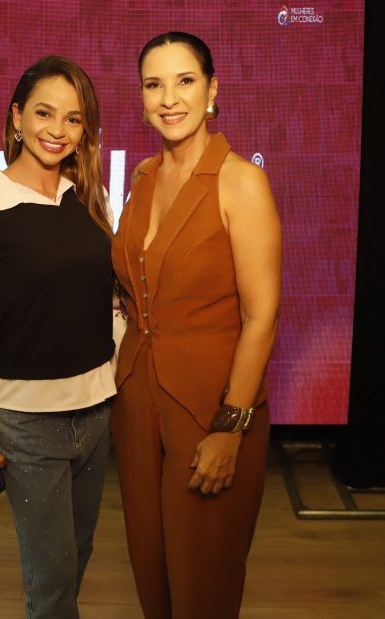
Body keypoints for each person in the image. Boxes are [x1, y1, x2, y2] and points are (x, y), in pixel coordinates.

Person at [111, 32, 282, 618]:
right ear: (141, 98)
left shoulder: (241, 181)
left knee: (202, 580)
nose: (169, 98)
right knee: (151, 571)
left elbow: (262, 317)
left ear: (212, 90)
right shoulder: (142, 177)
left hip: (210, 407)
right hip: (136, 402)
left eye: (185, 81)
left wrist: (231, 428)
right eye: (153, 84)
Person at [0, 55, 117, 619]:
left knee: (79, 554)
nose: (57, 130)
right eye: (44, 113)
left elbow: (108, 302)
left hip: (97, 412)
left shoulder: (85, 197)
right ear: (16, 117)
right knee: (52, 581)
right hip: (29, 423)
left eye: (73, 118)